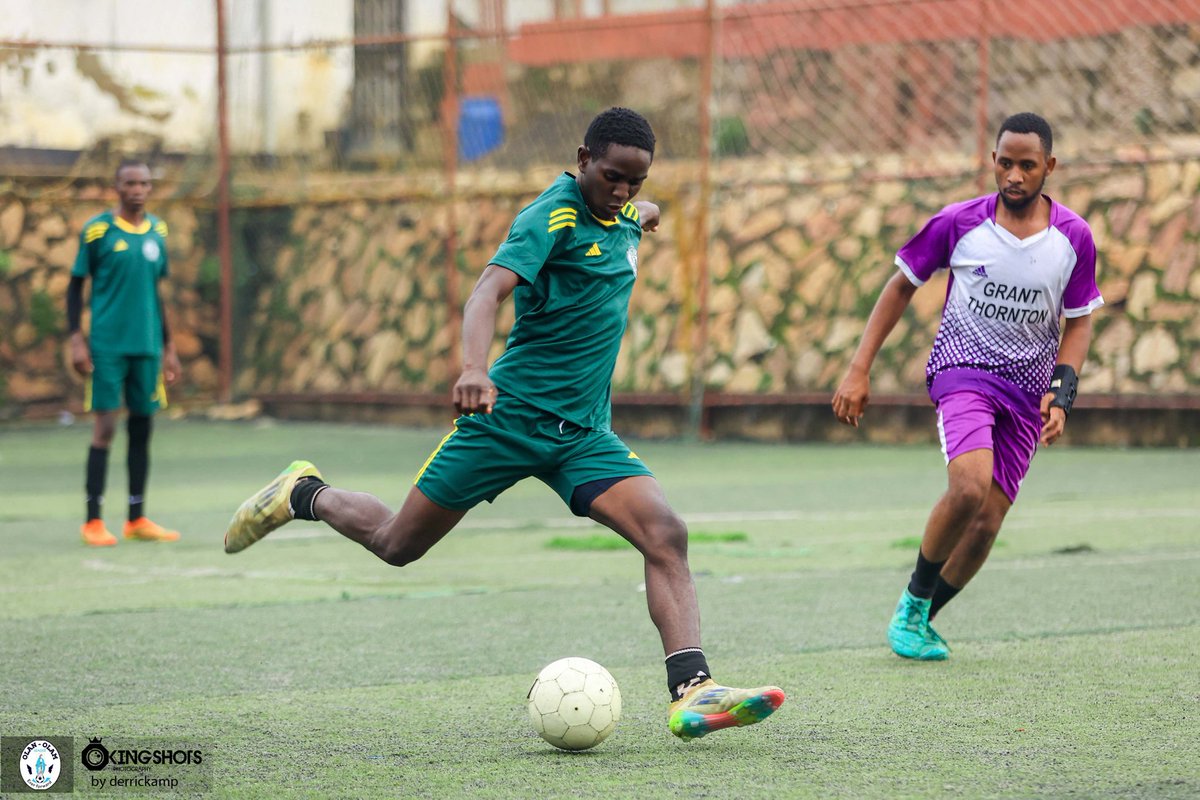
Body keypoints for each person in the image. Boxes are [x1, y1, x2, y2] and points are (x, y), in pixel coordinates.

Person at [225, 107, 784, 740]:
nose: (624, 191)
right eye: (612, 176)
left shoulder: (624, 213)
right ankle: (302, 493)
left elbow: (635, 216)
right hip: (507, 418)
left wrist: (643, 213)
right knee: (396, 545)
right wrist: (473, 368)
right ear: (582, 159)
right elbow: (485, 292)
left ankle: (693, 690)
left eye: (636, 181)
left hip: (583, 435)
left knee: (666, 533)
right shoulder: (550, 217)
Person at [832, 112, 1102, 660]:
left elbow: (1078, 321)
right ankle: (912, 602)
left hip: (1027, 394)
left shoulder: (1073, 238)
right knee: (970, 486)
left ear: (1049, 166)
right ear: (994, 161)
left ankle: (919, 617)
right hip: (964, 373)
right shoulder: (958, 223)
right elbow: (899, 286)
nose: (1015, 176)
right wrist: (858, 368)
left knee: (987, 524)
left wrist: (1062, 393)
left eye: (1028, 165)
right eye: (1005, 163)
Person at [68, 159, 182, 547]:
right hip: (107, 346)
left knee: (142, 428)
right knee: (105, 428)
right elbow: (75, 286)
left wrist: (169, 347)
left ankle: (136, 517)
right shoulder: (98, 229)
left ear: (151, 188)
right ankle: (93, 521)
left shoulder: (158, 232)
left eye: (144, 183)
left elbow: (158, 294)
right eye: (130, 183)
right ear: (116, 187)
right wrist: (76, 338)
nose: (138, 189)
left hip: (147, 347)